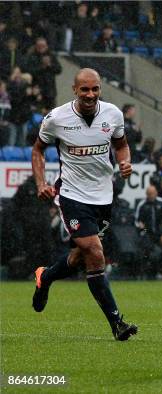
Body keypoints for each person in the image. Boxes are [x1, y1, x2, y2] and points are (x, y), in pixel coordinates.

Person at [31, 68, 138, 341]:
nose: (90, 95)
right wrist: (41, 183)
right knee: (95, 250)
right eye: (84, 90)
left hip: (104, 197)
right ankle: (117, 323)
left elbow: (122, 145)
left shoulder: (113, 114)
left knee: (82, 257)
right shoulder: (57, 118)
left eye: (95, 89)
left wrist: (125, 162)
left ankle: (46, 276)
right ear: (74, 90)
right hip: (72, 195)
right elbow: (38, 149)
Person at [135, 185, 162, 280]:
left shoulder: (161, 203)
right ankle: (145, 273)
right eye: (149, 194)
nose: (151, 195)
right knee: (146, 248)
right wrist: (141, 227)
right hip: (146, 232)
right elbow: (136, 221)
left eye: (152, 193)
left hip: (159, 233)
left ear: (156, 193)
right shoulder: (142, 204)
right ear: (146, 194)